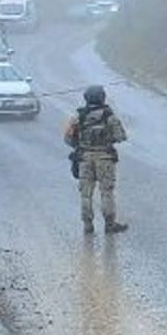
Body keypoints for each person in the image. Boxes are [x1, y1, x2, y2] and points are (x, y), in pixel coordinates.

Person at [64, 85, 129, 234]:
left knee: (86, 194)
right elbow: (121, 137)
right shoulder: (109, 116)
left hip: (84, 159)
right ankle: (110, 225)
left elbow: (67, 138)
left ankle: (87, 226)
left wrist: (80, 145)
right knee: (106, 192)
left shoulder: (77, 117)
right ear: (102, 97)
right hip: (105, 159)